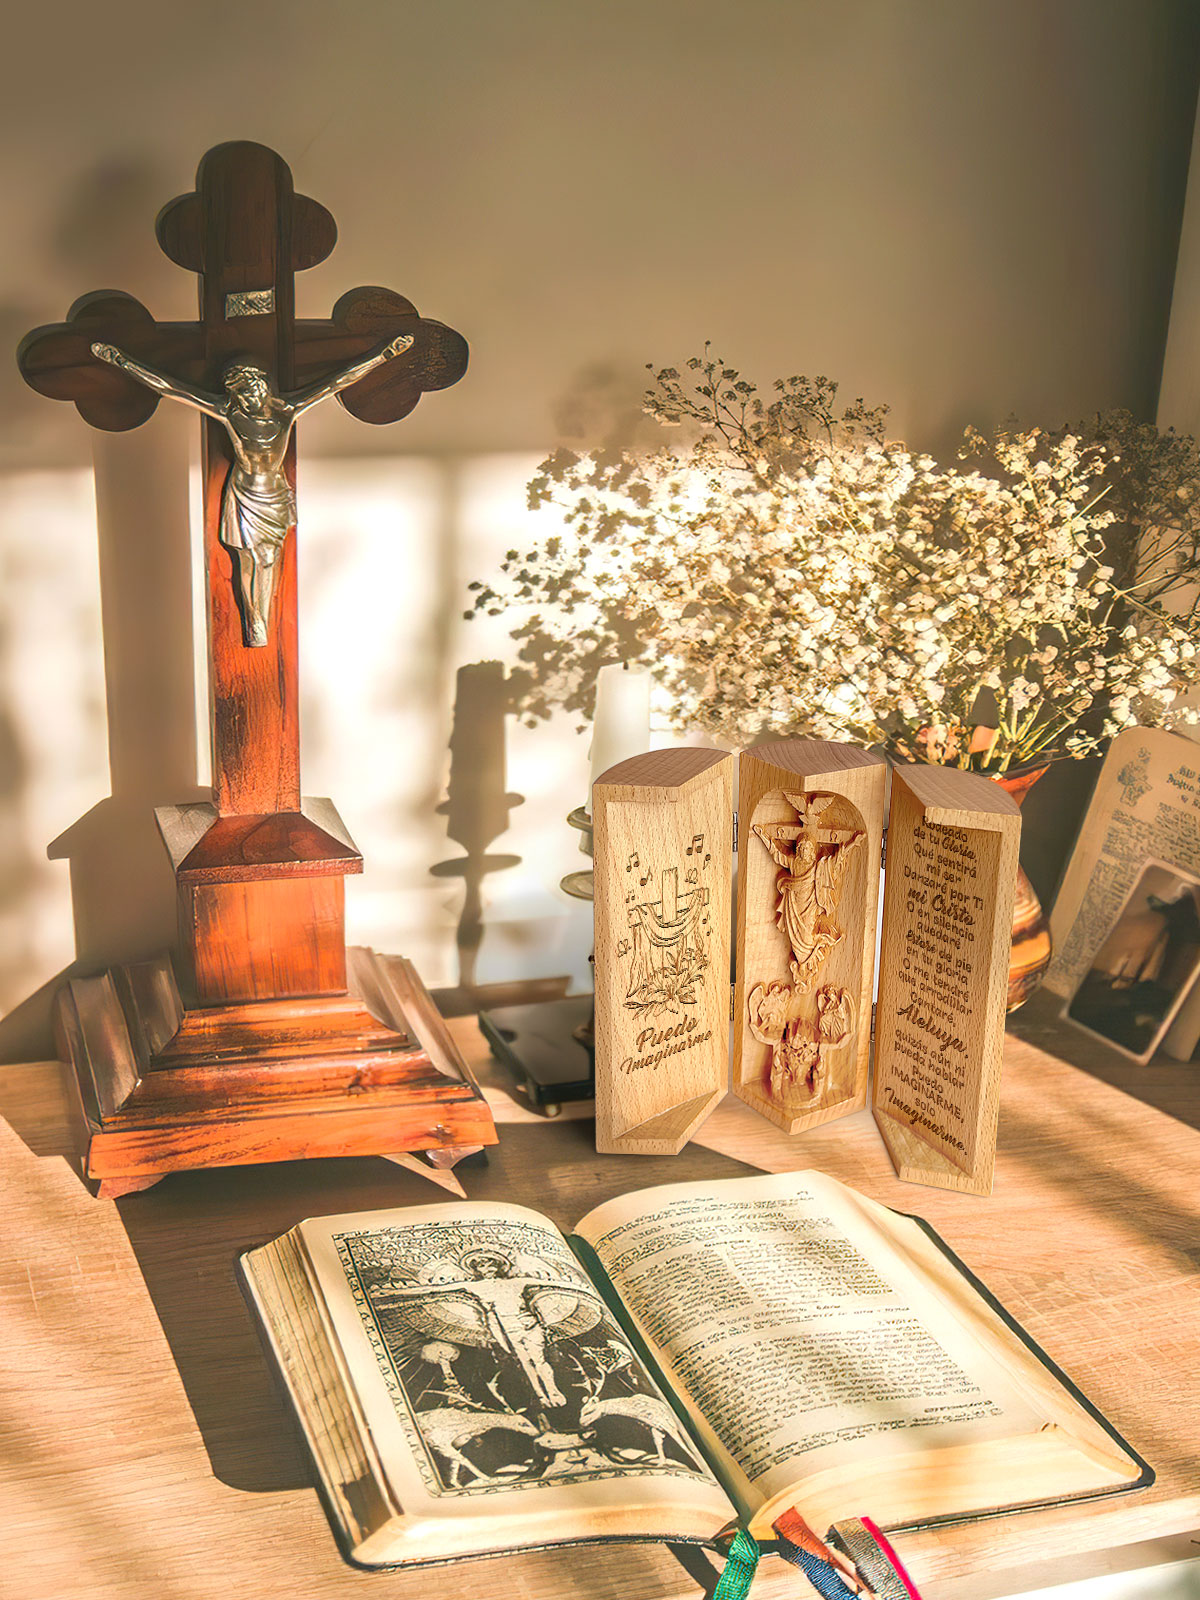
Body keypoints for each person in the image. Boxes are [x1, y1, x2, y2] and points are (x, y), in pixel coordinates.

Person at [90, 332, 413, 646]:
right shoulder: (229, 413)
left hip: (273, 493)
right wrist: (121, 361)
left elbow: (337, 382)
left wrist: (383, 356)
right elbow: (171, 388)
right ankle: (254, 620)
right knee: (244, 559)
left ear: (263, 384)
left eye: (251, 389)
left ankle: (264, 618)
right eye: (240, 393)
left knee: (269, 558)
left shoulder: (286, 410)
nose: (247, 397)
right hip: (243, 492)